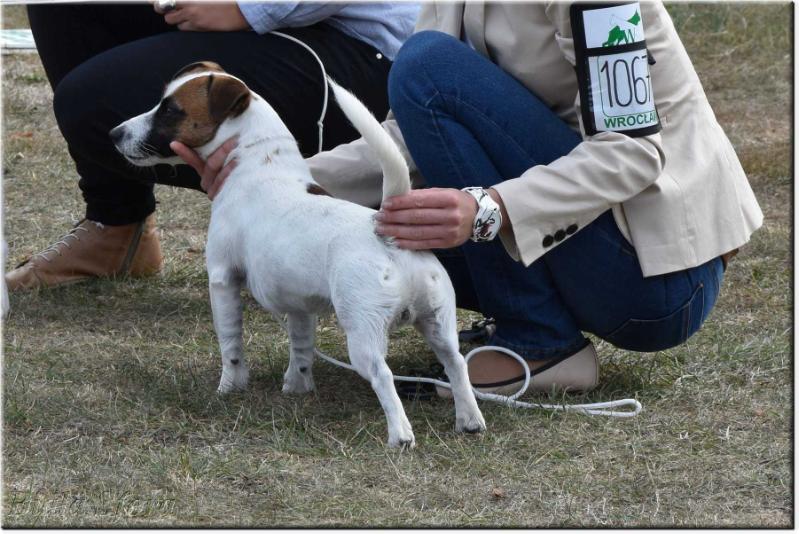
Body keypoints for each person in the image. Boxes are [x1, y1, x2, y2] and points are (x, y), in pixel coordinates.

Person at [181, 2, 763, 395]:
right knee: (372, 227)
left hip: (656, 280)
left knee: (427, 65)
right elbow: (411, 136)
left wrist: (490, 210)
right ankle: (537, 325)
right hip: (586, 247)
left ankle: (539, 338)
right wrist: (277, 188)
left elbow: (633, 153)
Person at [6, 2, 419, 289]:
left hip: (357, 44)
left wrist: (246, 8)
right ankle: (116, 225)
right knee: (66, 2)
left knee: (91, 105)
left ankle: (304, 222)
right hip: (275, 22)